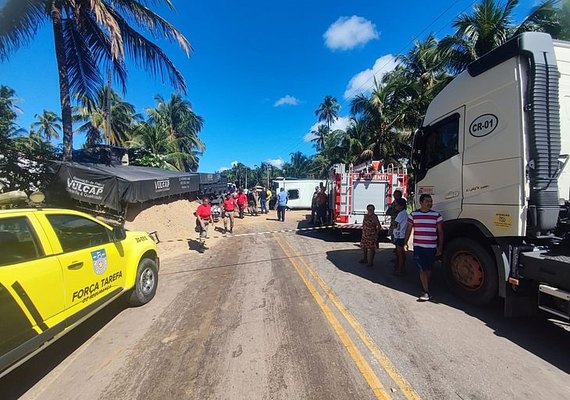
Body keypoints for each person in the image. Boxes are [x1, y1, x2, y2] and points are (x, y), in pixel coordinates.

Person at [404, 194, 443, 301]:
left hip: (431, 248)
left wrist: (440, 247)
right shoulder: (413, 215)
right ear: (421, 202)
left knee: (429, 269)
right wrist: (405, 243)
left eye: (431, 201)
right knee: (422, 269)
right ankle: (425, 291)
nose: (430, 203)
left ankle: (426, 285)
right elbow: (408, 230)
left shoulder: (436, 215)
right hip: (418, 247)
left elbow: (440, 232)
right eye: (427, 201)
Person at [392, 198, 409, 276]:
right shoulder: (404, 213)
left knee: (400, 254)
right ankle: (400, 267)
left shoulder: (401, 214)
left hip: (400, 236)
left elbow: (395, 223)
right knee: (400, 253)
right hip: (400, 235)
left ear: (401, 206)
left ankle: (399, 269)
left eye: (396, 205)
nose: (395, 206)